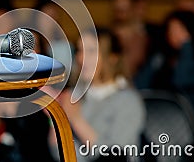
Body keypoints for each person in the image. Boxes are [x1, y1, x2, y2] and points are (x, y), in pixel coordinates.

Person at [57, 29, 145, 161]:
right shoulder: (76, 95)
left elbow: (114, 155)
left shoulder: (128, 101)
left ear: (112, 57)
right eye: (80, 51)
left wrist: (76, 119)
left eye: (91, 51)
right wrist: (56, 117)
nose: (81, 58)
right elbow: (58, 152)